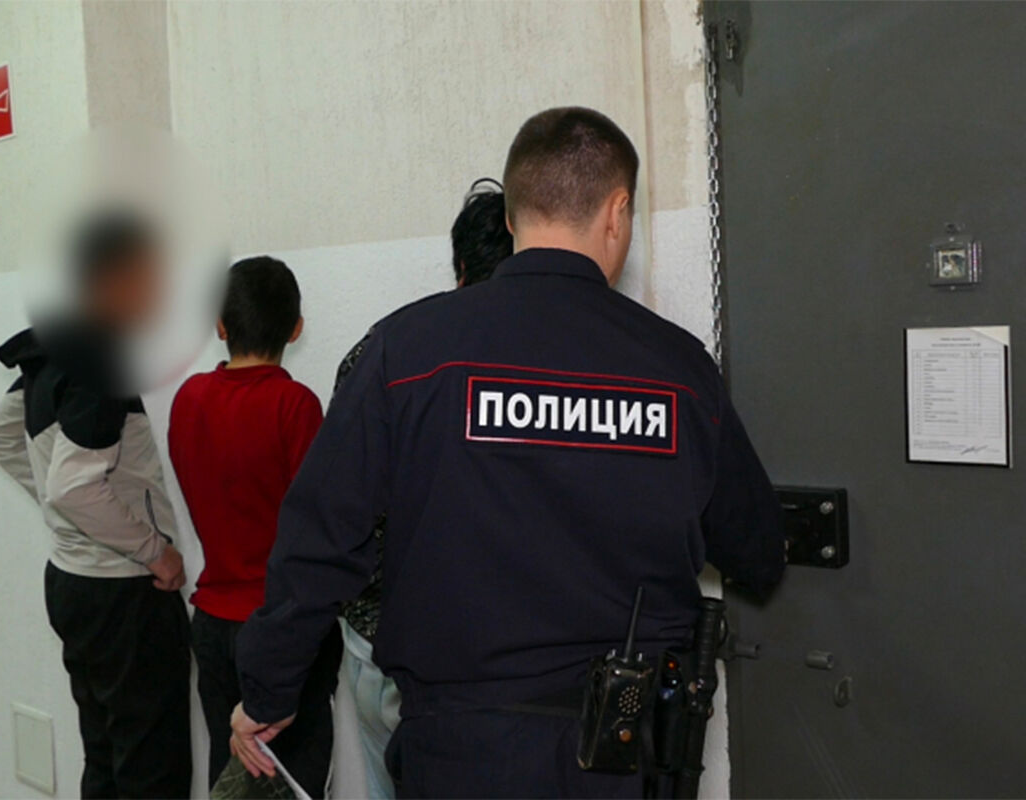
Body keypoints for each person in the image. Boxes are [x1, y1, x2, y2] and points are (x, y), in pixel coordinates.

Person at [230, 106, 785, 798]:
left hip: (459, 753)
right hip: (621, 756)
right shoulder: (678, 370)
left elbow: (319, 541)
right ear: (618, 213)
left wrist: (268, 691)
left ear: (515, 216)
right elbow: (756, 549)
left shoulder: (407, 354)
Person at [0, 212, 191, 799]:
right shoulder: (101, 360)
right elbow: (73, 488)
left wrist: (66, 517)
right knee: (151, 770)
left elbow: (0, 437)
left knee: (104, 757)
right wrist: (156, 552)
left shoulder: (54, 346)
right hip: (124, 593)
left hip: (72, 583)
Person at [332, 178, 514, 799]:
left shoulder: (384, 350)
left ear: (459, 267)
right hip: (504, 657)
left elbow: (341, 510)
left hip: (383, 638)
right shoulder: (552, 359)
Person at [167, 256, 340, 797]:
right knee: (294, 785)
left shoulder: (189, 399)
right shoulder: (295, 406)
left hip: (213, 625)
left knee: (232, 782)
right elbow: (318, 529)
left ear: (221, 326)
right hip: (283, 631)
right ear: (296, 327)